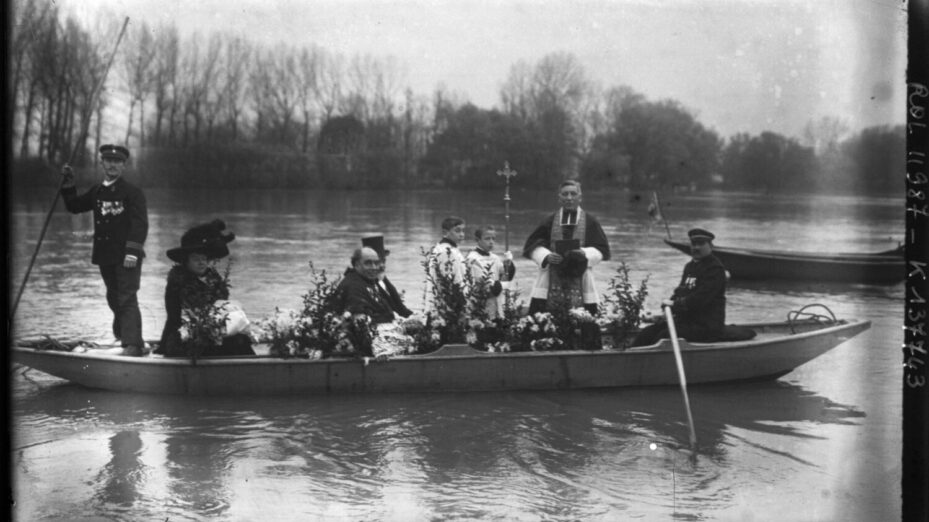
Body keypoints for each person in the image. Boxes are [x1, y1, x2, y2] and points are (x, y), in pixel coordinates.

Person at [61, 144, 148, 356]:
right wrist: (68, 183)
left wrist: (132, 252)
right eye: (108, 161)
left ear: (124, 166)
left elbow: (140, 225)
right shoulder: (97, 191)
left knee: (126, 297)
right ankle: (126, 337)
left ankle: (133, 345)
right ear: (102, 163)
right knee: (113, 297)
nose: (112, 165)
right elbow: (74, 206)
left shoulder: (132, 193)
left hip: (126, 255)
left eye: (117, 162)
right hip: (105, 255)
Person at [156, 220, 255, 357]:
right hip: (184, 337)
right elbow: (178, 318)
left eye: (204, 258)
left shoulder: (214, 279)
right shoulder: (177, 282)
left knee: (241, 340)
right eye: (196, 259)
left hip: (213, 331)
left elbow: (222, 310)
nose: (202, 262)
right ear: (186, 261)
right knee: (229, 344)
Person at [523, 179, 611, 316]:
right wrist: (546, 256)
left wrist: (584, 253)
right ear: (559, 198)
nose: (569, 198)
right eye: (565, 194)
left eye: (573, 194)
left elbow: (602, 249)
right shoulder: (549, 220)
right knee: (543, 321)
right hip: (549, 277)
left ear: (580, 197)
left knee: (583, 321)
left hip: (582, 277)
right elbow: (533, 245)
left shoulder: (590, 222)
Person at [630, 228, 727, 347]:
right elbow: (680, 292)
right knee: (646, 333)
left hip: (707, 326)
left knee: (664, 337)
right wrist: (667, 308)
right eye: (694, 244)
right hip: (687, 322)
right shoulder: (690, 266)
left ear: (710, 246)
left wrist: (674, 305)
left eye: (701, 244)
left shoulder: (715, 269)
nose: (696, 248)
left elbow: (700, 300)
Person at [466, 225, 516, 318]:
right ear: (478, 240)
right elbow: (485, 286)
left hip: (496, 304)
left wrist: (508, 263)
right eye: (487, 239)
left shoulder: (495, 258)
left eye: (493, 239)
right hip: (481, 305)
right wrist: (505, 285)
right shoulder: (473, 259)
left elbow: (507, 276)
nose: (491, 242)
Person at [362, 235, 413, 319]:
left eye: (384, 261)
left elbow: (401, 308)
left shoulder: (383, 279)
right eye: (378, 262)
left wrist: (415, 317)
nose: (382, 265)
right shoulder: (365, 284)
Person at [425, 216, 467, 307]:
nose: (462, 234)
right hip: (447, 305)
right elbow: (449, 283)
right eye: (457, 231)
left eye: (463, 231)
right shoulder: (446, 252)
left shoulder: (449, 249)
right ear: (445, 232)